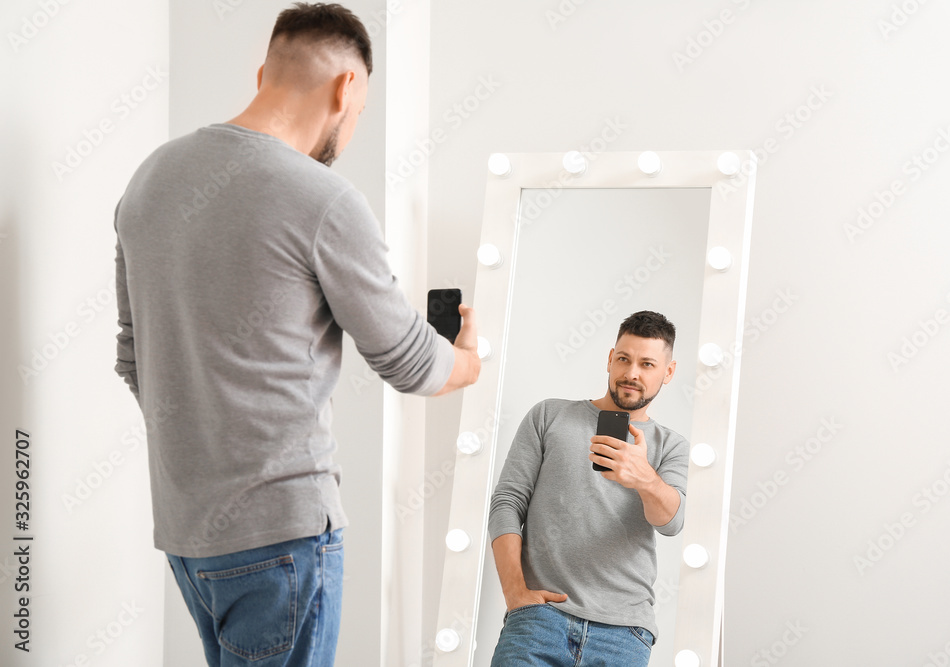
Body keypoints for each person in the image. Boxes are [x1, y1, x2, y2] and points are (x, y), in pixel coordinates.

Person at [112, 3, 480, 665]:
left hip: (189, 535)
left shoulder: (150, 180)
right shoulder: (321, 198)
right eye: (360, 111)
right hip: (282, 534)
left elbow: (133, 356)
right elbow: (409, 360)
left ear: (264, 75)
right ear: (347, 88)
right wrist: (467, 362)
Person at [487, 310, 689, 667]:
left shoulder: (671, 445)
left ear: (668, 372)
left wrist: (643, 477)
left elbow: (671, 522)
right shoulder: (549, 415)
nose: (632, 373)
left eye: (647, 364)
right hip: (539, 619)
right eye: (624, 359)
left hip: (624, 634)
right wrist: (514, 591)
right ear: (610, 360)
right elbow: (507, 502)